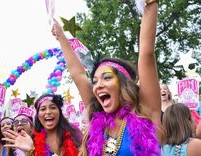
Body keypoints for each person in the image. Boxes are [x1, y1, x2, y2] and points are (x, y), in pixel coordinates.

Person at [52, 0, 161, 155]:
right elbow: (78, 74)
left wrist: (150, 4)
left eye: (107, 78)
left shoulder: (146, 110)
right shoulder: (96, 119)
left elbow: (146, 54)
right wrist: (61, 37)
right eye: (95, 81)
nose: (98, 86)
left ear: (124, 84)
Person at [3, 94, 82, 156]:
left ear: (59, 112)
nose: (48, 112)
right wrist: (29, 152)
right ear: (38, 115)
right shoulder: (31, 140)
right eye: (43, 109)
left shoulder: (75, 133)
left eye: (53, 107)